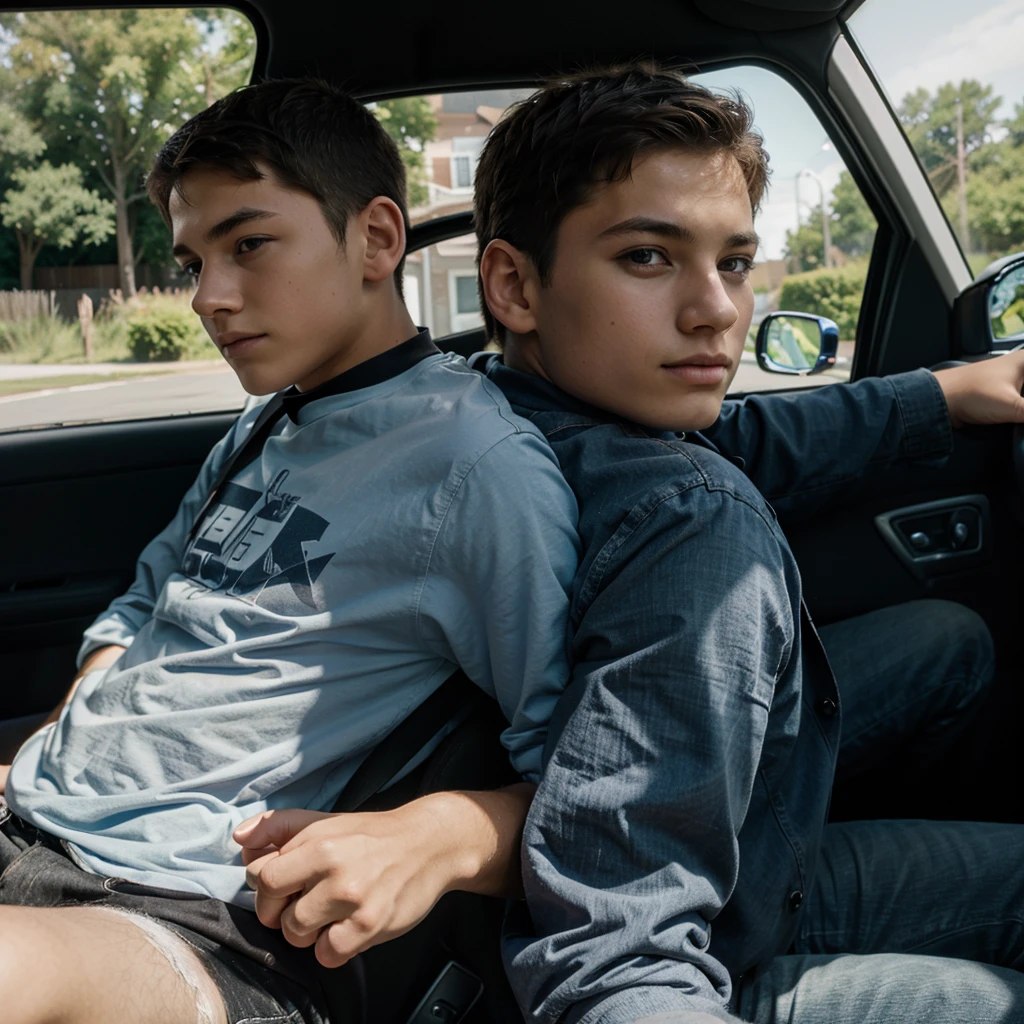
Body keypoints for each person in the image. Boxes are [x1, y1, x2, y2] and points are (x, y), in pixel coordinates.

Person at [0, 78, 579, 1024]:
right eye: (193, 262)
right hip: (39, 811)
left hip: (187, 910)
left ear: (378, 240)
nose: (208, 298)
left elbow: (584, 781)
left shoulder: (475, 468)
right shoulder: (270, 423)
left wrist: (445, 834)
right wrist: (82, 729)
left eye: (250, 245)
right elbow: (153, 595)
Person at [469, 64, 1024, 1023]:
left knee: (949, 639)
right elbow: (614, 952)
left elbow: (744, 440)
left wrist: (947, 393)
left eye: (732, 262)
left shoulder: (498, 414)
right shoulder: (691, 519)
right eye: (648, 256)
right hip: (718, 931)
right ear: (514, 283)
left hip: (713, 841)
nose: (719, 310)